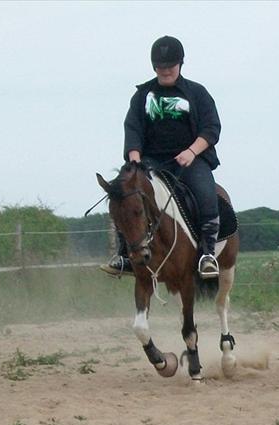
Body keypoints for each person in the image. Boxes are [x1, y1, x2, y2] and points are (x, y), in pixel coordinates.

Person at [102, 35, 223, 279]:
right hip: (150, 162)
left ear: (180, 64)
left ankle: (207, 254)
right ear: (154, 66)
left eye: (170, 66)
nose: (166, 70)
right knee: (125, 196)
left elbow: (211, 128)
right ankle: (125, 254)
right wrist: (134, 159)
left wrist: (191, 152)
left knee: (206, 193)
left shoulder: (197, 93)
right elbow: (133, 128)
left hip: (189, 159)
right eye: (161, 67)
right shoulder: (142, 95)